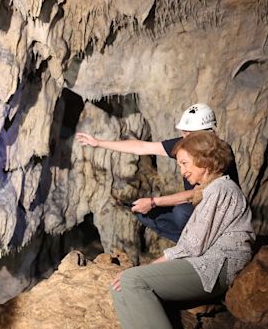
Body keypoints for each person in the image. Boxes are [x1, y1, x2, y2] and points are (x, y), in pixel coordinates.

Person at [109, 131, 254, 329]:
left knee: (132, 279)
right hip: (203, 264)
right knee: (119, 287)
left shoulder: (222, 189)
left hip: (217, 267)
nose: (183, 171)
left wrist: (150, 266)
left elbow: (193, 246)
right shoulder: (208, 191)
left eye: (185, 163)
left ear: (205, 162)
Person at [75, 103, 239, 242]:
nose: (184, 136)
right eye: (184, 133)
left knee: (181, 212)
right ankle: (189, 245)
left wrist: (154, 201)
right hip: (195, 209)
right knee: (143, 212)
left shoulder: (218, 153)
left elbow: (196, 194)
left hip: (217, 212)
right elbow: (142, 147)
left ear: (204, 133)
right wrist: (98, 143)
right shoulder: (185, 145)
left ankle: (199, 246)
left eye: (188, 133)